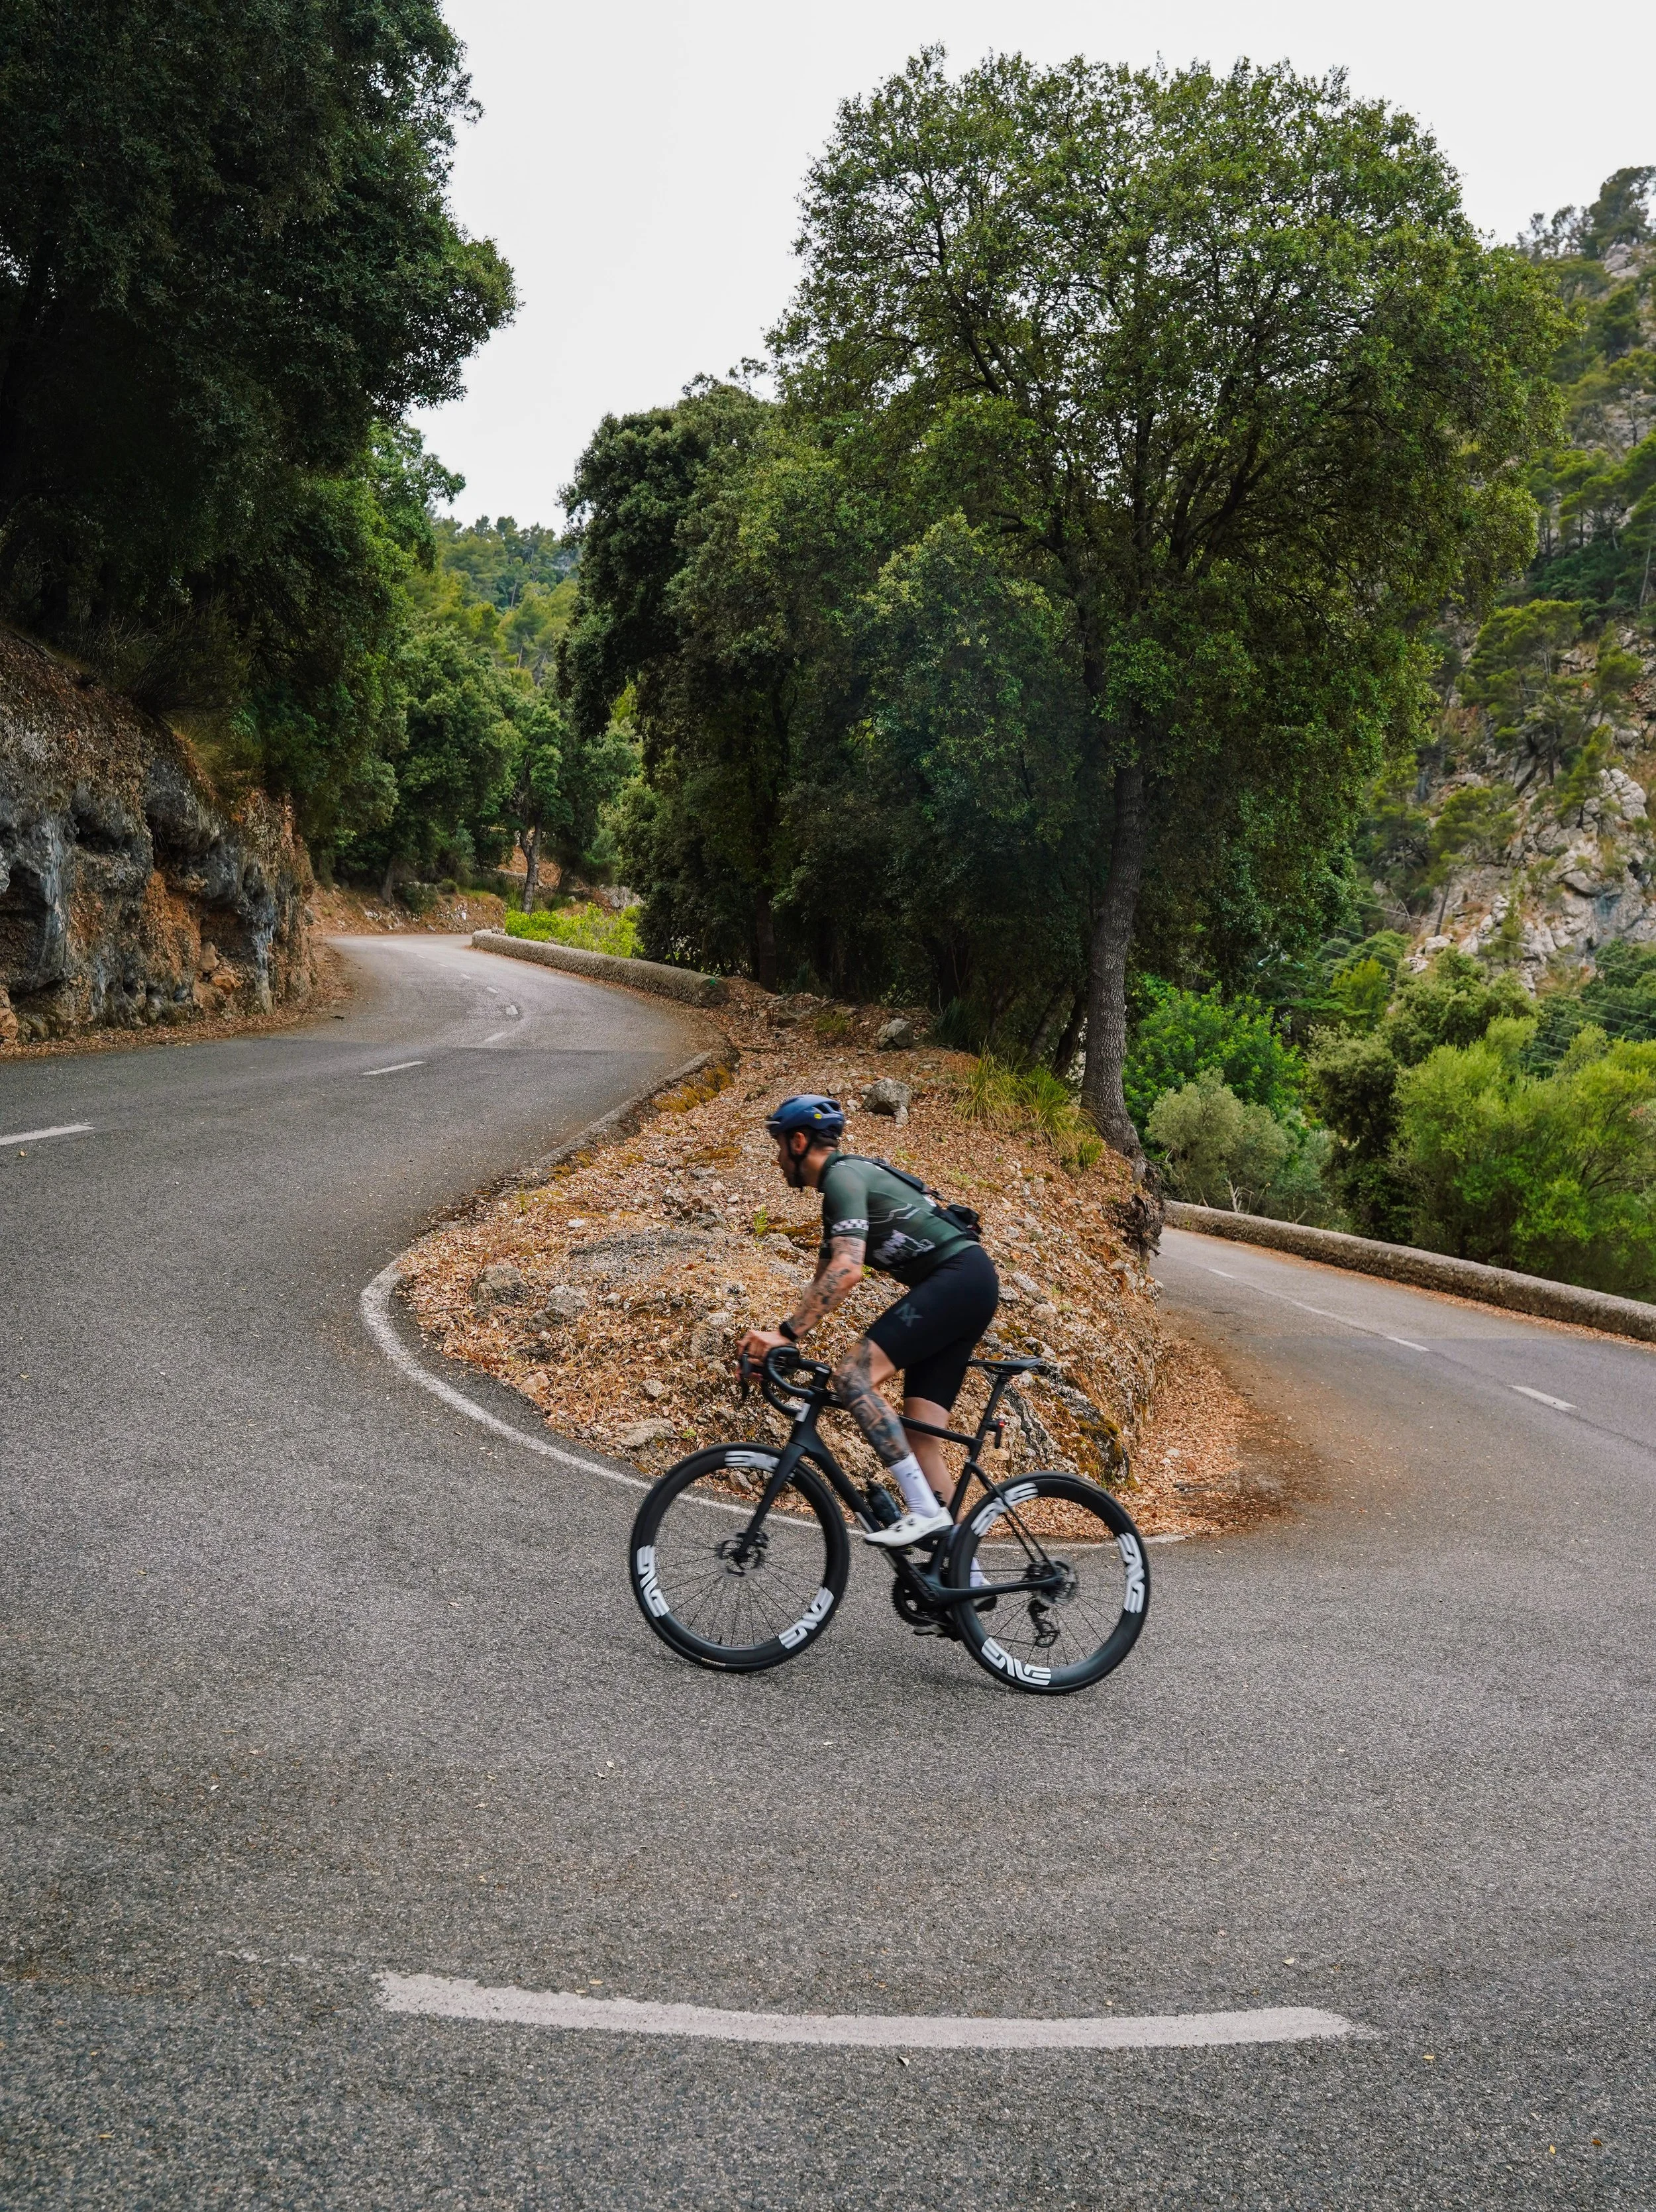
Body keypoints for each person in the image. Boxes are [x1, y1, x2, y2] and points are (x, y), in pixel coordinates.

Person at [737, 1093, 1000, 1549]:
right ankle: (963, 1580)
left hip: (958, 1279)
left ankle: (923, 1511)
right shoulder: (842, 1190)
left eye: (779, 1146)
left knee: (853, 1376)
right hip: (965, 1283)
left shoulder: (843, 1178)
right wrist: (785, 1339)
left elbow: (847, 1271)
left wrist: (783, 1334)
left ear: (799, 1142)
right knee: (920, 1435)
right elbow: (824, 1281)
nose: (777, 1159)